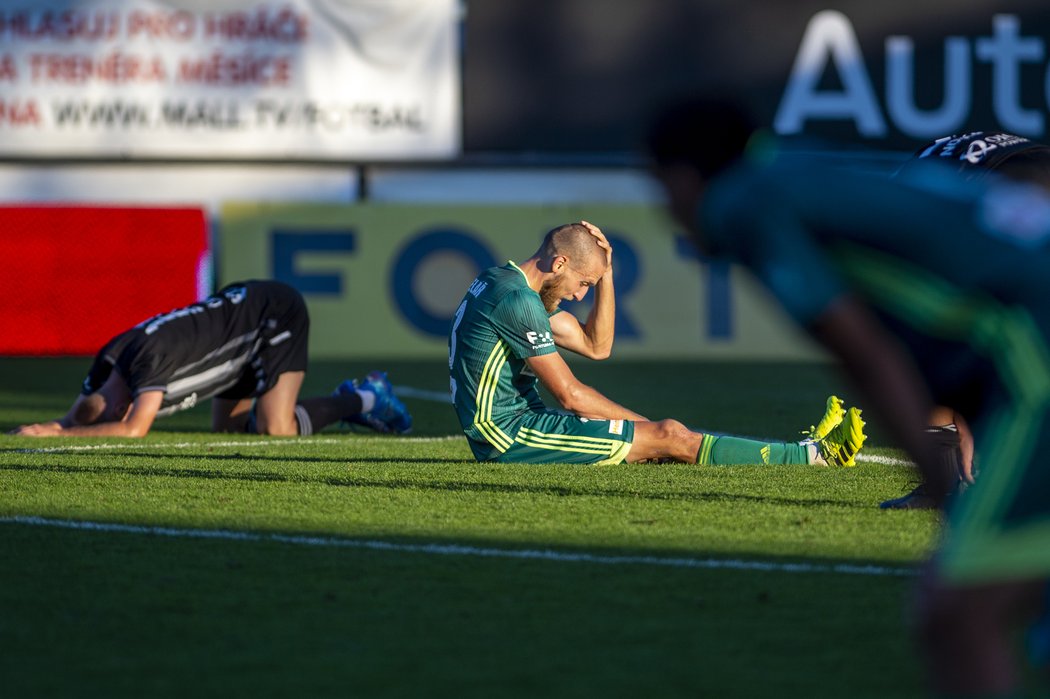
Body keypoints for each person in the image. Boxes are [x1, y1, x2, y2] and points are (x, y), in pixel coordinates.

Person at [646, 98, 1050, 697]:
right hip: (1026, 326)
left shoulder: (743, 203)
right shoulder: (800, 176)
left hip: (1034, 343)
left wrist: (943, 494)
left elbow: (869, 357)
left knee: (955, 615)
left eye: (660, 190)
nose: (667, 212)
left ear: (682, 178)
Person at [446, 220, 866, 467]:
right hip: (509, 436)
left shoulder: (503, 281)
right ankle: (812, 456)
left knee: (663, 436)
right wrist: (643, 426)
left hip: (517, 425)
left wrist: (605, 274)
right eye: (582, 283)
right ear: (560, 263)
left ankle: (802, 450)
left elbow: (597, 346)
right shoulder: (519, 301)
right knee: (669, 435)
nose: (579, 295)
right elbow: (571, 395)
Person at [10, 279, 412, 438]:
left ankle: (367, 397)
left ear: (118, 403)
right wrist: (50, 425)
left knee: (276, 429)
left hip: (271, 315)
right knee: (231, 432)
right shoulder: (107, 361)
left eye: (116, 411)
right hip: (232, 334)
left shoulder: (145, 363)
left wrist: (63, 436)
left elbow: (133, 429)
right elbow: (83, 412)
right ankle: (361, 399)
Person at [882, 132, 1050, 509]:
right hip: (1023, 180)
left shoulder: (908, 206)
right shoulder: (921, 181)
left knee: (922, 350)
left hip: (1014, 190)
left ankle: (945, 481)